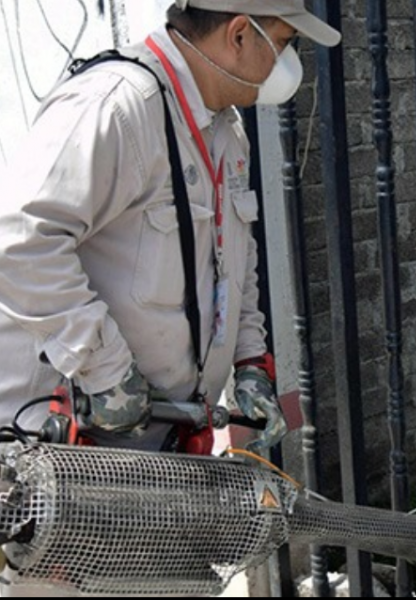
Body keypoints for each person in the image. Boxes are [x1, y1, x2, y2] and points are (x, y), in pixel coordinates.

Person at [0, 0, 340, 455]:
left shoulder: (227, 129)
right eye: (282, 43)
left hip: (154, 438)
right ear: (239, 35)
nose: (286, 63)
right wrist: (104, 369)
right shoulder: (117, 107)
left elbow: (235, 258)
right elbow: (20, 241)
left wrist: (250, 361)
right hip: (58, 445)